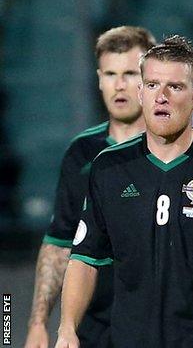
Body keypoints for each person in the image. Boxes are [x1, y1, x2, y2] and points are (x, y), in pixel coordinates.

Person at [54, 35, 193, 348]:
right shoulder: (108, 168)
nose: (161, 96)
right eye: (152, 85)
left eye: (174, 87)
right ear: (140, 92)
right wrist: (67, 328)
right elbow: (85, 257)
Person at [24, 26, 156, 348]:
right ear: (98, 79)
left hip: (162, 328)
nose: (120, 85)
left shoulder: (177, 152)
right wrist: (38, 323)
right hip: (95, 329)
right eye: (110, 73)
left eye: (130, 73)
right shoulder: (81, 153)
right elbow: (59, 243)